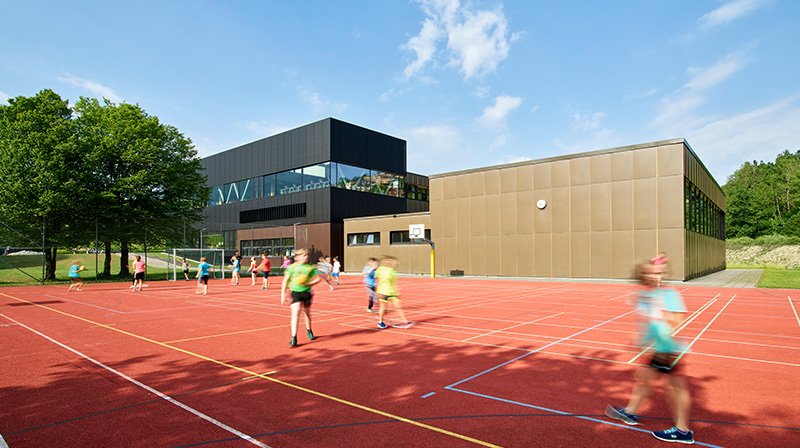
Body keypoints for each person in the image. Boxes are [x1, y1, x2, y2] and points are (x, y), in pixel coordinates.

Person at [605, 261, 694, 444]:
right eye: (650, 273)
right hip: (657, 348)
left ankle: (682, 431)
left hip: (669, 349)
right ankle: (630, 413)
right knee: (643, 380)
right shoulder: (649, 294)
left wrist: (665, 341)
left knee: (675, 389)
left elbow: (677, 321)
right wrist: (641, 341)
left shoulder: (669, 294)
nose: (653, 276)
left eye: (657, 273)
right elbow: (649, 322)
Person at [280, 248, 321, 347]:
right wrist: (282, 294)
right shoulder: (292, 268)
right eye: (303, 255)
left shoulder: (310, 268)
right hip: (295, 292)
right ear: (297, 257)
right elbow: (285, 280)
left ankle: (309, 330)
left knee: (307, 313)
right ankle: (294, 337)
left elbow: (318, 279)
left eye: (307, 255)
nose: (306, 257)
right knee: (296, 312)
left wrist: (308, 284)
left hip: (306, 292)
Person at [375, 255, 413, 329]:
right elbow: (376, 278)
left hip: (392, 292)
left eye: (394, 262)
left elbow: (393, 283)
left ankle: (404, 321)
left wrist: (397, 291)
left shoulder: (393, 271)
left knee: (398, 307)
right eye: (391, 261)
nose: (393, 263)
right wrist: (377, 291)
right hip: (383, 292)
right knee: (383, 308)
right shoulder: (381, 269)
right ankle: (380, 322)